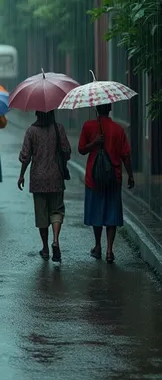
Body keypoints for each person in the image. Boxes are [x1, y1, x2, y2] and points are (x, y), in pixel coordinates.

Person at [78, 103, 134, 263]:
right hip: (113, 179)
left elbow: (81, 149)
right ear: (110, 109)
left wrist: (94, 143)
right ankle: (110, 250)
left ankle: (98, 246)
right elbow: (126, 155)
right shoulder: (118, 129)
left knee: (96, 213)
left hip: (93, 179)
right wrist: (130, 175)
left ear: (96, 109)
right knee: (111, 213)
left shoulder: (88, 126)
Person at [18, 110, 71, 262]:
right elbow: (67, 152)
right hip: (56, 178)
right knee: (56, 210)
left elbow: (25, 156)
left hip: (38, 179)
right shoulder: (58, 128)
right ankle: (55, 240)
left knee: (42, 214)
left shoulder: (31, 131)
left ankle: (46, 248)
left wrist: (21, 175)